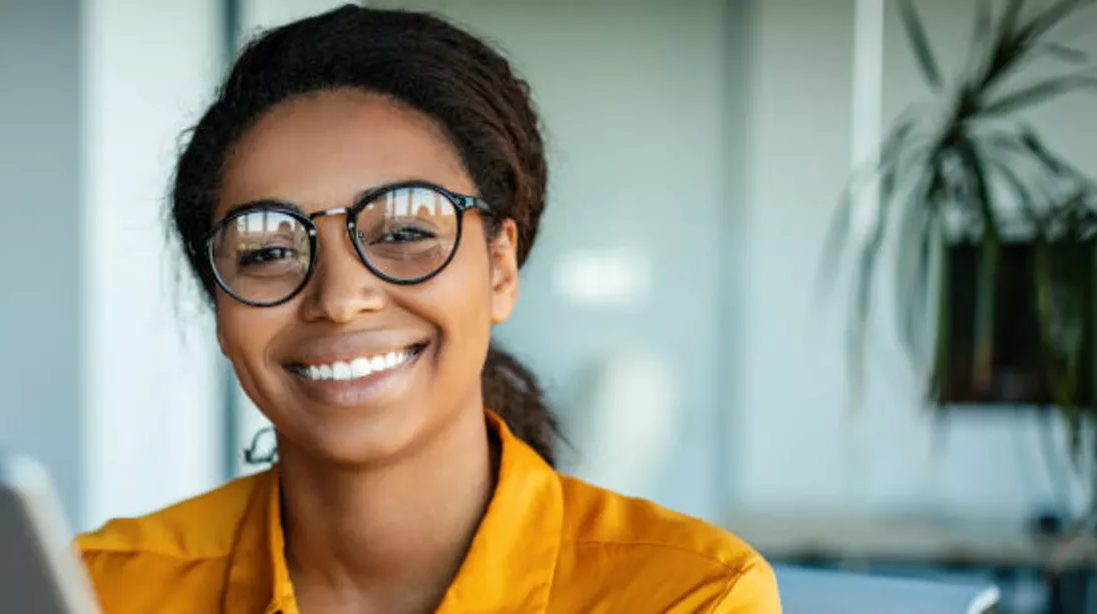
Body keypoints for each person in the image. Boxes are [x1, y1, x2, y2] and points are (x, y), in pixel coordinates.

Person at [76, 6, 782, 613]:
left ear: (500, 268)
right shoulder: (95, 590)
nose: (341, 298)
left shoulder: (688, 594)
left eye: (406, 232)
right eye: (267, 250)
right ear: (223, 312)